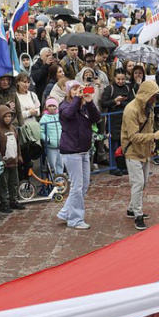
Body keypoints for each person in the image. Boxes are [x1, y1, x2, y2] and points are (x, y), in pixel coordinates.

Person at [121, 80, 159, 231]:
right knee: (138, 183)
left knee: (143, 182)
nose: (155, 99)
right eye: (153, 95)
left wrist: (152, 146)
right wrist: (153, 137)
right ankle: (138, 216)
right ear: (146, 95)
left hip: (144, 150)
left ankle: (131, 208)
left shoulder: (149, 107)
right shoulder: (131, 110)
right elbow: (133, 136)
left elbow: (149, 127)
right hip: (132, 151)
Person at [57, 81, 99, 230]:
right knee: (77, 186)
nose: (77, 92)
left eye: (79, 89)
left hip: (84, 150)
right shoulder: (64, 105)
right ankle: (75, 219)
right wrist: (77, 99)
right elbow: (68, 115)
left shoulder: (84, 106)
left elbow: (96, 118)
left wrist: (90, 102)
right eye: (74, 89)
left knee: (84, 184)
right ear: (69, 92)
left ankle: (65, 212)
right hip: (71, 150)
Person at [0, 105, 24, 214]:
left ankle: (13, 200)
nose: (7, 119)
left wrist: (19, 155)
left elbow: (18, 144)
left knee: (14, 182)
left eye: (9, 116)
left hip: (14, 162)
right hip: (4, 164)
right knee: (3, 184)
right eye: (5, 116)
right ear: (0, 117)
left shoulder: (13, 128)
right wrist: (0, 160)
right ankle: (4, 203)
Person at [101, 69, 135, 175]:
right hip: (113, 120)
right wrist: (114, 101)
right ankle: (113, 167)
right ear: (114, 78)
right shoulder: (110, 88)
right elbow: (103, 103)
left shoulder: (128, 88)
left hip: (125, 119)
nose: (120, 81)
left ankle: (122, 166)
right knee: (114, 145)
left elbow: (132, 101)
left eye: (122, 79)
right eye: (118, 79)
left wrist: (121, 103)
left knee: (123, 144)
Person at [39, 97, 63, 175]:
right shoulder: (44, 118)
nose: (52, 108)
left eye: (54, 106)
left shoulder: (60, 116)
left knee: (61, 163)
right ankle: (52, 179)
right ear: (47, 107)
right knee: (52, 165)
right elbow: (41, 132)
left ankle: (60, 179)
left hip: (61, 145)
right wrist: (48, 140)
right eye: (50, 106)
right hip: (51, 146)